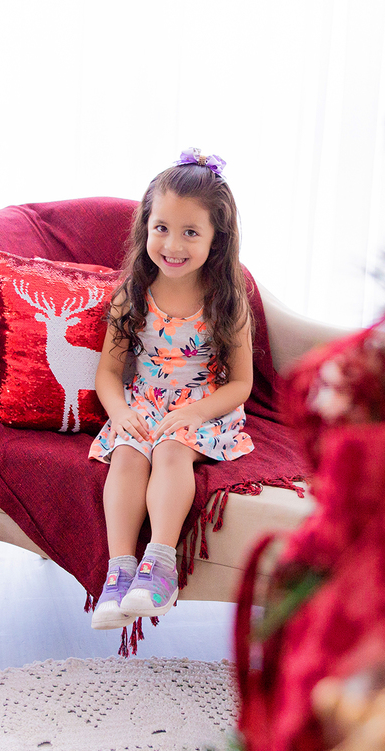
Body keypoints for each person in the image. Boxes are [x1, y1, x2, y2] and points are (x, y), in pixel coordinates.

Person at [89, 148, 254, 630]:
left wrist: (196, 413)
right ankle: (119, 572)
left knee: (171, 450)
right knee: (128, 454)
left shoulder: (227, 299)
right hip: (143, 402)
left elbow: (241, 383)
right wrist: (120, 413)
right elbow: (107, 373)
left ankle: (159, 565)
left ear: (217, 239)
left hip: (203, 407)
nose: (173, 244)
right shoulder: (131, 295)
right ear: (145, 226)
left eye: (191, 232)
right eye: (161, 227)